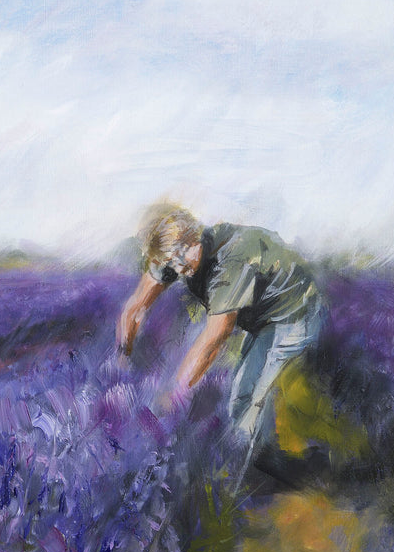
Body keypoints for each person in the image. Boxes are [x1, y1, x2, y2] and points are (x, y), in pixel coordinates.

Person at [116, 204, 328, 482]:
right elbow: (136, 307)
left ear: (194, 237)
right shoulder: (171, 253)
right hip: (261, 314)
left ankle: (256, 477)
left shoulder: (229, 260)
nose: (178, 266)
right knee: (244, 394)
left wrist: (177, 395)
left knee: (246, 399)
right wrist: (122, 357)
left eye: (182, 254)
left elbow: (214, 339)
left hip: (293, 311)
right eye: (170, 261)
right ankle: (262, 465)